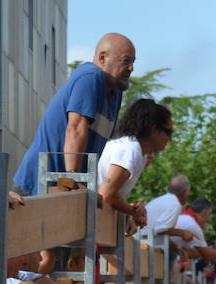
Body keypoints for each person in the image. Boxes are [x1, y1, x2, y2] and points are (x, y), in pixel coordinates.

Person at [15, 33, 135, 194]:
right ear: (102, 58)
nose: (131, 68)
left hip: (61, 188)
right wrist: (72, 180)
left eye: (133, 62)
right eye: (126, 61)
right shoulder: (91, 77)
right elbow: (76, 127)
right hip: (38, 187)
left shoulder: (116, 92)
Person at [96, 99, 173, 232]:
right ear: (154, 130)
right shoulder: (130, 150)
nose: (170, 138)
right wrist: (134, 212)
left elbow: (111, 194)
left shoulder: (137, 152)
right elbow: (106, 194)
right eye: (168, 132)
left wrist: (129, 211)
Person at [141, 175, 195, 246]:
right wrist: (183, 233)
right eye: (188, 191)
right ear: (185, 192)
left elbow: (160, 231)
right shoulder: (175, 204)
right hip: (145, 246)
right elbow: (161, 229)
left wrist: (177, 249)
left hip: (143, 241)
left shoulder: (163, 199)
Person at [173, 197, 216, 264]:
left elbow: (194, 252)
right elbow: (207, 256)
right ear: (205, 213)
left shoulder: (184, 217)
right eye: (209, 214)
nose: (208, 219)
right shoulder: (193, 225)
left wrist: (214, 247)